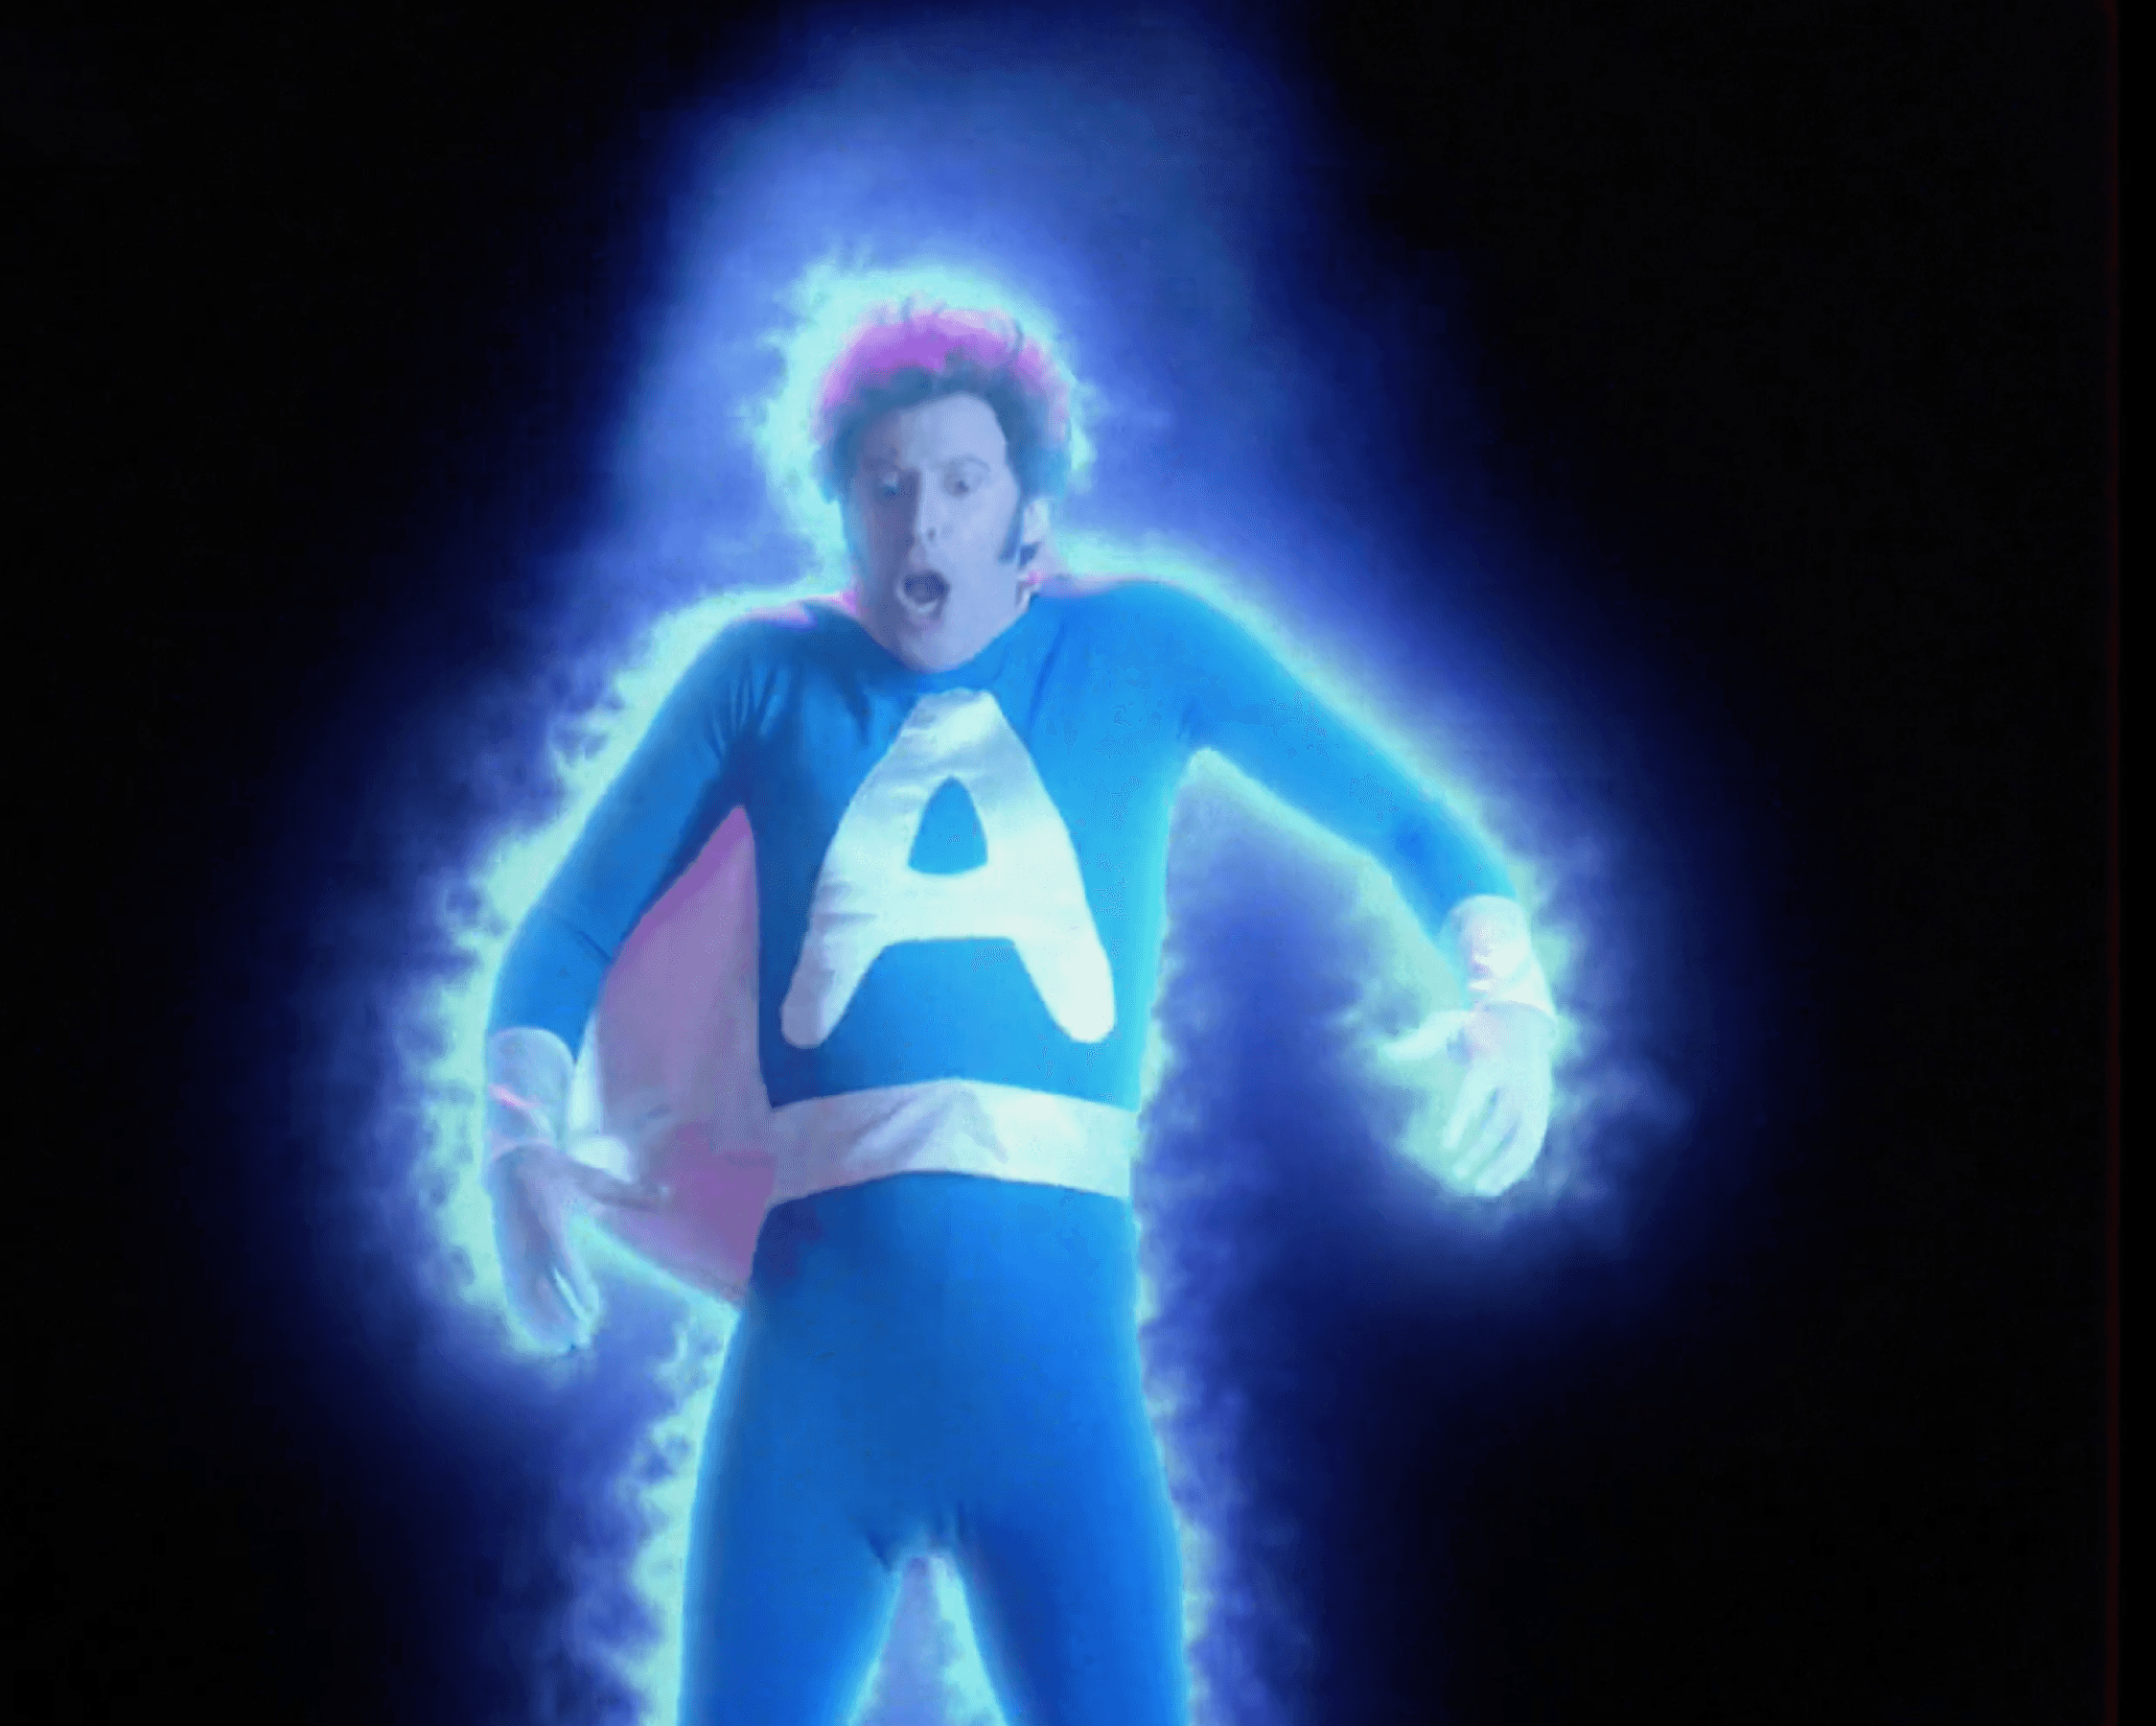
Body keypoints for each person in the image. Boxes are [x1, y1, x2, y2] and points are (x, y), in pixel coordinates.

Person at [478, 300, 1559, 1726]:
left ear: (1029, 513)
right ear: (847, 511)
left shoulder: (1147, 648)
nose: (923, 520)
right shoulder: (764, 673)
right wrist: (516, 1138)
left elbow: (1411, 823)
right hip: (811, 1405)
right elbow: (566, 930)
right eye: (888, 486)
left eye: (961, 482)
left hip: (1061, 1419)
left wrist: (1509, 993)